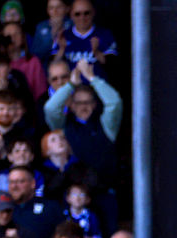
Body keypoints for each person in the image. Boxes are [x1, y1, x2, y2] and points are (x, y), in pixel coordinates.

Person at [43, 59, 122, 187]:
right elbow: (50, 109)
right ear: (72, 106)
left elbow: (114, 102)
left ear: (94, 104)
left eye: (88, 102)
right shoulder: (64, 126)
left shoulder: (106, 124)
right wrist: (71, 84)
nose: (83, 106)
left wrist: (92, 78)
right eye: (79, 103)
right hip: (73, 194)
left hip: (104, 189)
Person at [56, 0, 118, 79]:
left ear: (93, 13)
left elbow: (114, 67)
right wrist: (62, 49)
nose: (82, 17)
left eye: (86, 13)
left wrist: (96, 52)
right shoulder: (63, 35)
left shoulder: (105, 34)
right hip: (70, 88)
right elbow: (53, 66)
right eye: (77, 14)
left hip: (97, 87)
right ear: (71, 15)